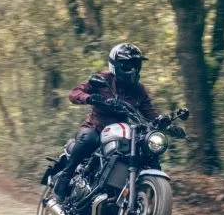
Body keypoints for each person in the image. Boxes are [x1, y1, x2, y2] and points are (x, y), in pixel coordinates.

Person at [53, 43, 181, 199]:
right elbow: (75, 93)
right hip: (96, 127)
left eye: (135, 64)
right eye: (127, 64)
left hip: (122, 131)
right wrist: (89, 98)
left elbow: (150, 115)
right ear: (115, 64)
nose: (132, 69)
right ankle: (65, 177)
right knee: (89, 139)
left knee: (145, 151)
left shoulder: (139, 90)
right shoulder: (103, 79)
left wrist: (167, 125)